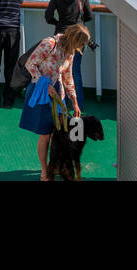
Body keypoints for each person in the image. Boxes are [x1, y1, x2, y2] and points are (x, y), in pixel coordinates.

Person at [19, 24, 90, 181]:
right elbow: (30, 64)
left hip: (58, 93)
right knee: (45, 134)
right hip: (42, 91)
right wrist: (45, 85)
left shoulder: (70, 51)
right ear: (74, 39)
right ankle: (44, 172)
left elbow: (67, 76)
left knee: (57, 133)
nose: (82, 46)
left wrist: (75, 101)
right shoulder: (49, 44)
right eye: (81, 43)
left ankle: (55, 165)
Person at [45, 0, 93, 109]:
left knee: (59, 69)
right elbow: (89, 16)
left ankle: (60, 102)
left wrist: (58, 23)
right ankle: (79, 103)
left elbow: (48, 16)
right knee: (75, 70)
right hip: (78, 38)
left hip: (61, 37)